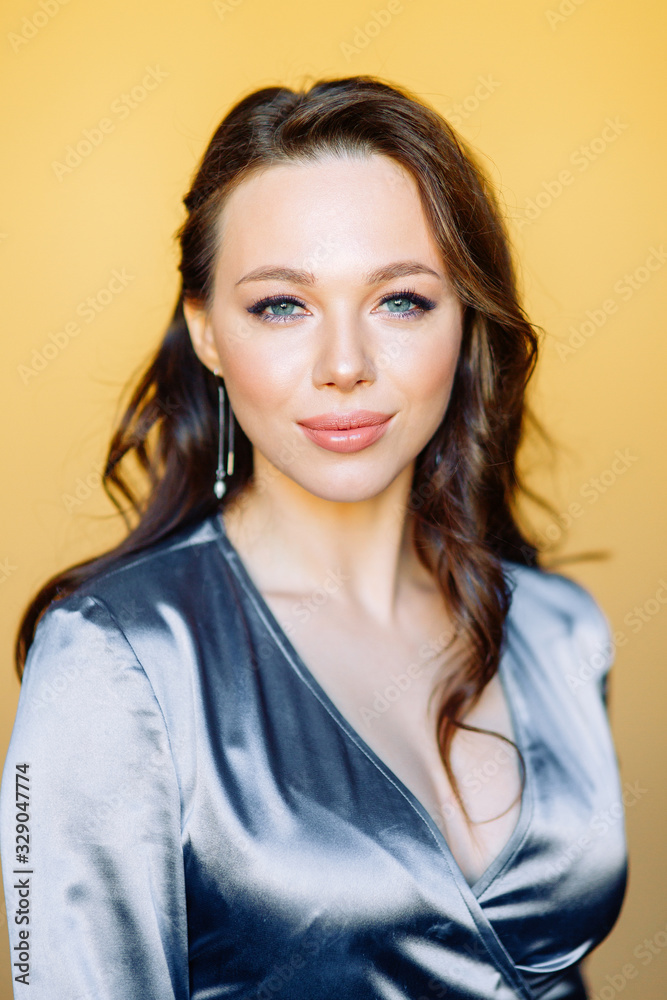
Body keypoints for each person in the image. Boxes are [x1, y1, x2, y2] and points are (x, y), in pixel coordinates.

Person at [0, 75, 627, 1000]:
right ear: (206, 331)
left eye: (401, 301)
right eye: (281, 305)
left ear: (465, 322)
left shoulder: (559, 630)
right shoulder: (114, 662)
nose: (344, 366)